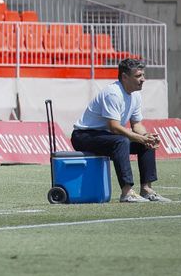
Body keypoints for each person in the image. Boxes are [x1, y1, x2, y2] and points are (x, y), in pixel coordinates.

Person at [70, 58, 169, 203]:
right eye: (138, 76)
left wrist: (146, 136)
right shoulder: (113, 93)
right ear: (124, 77)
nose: (143, 79)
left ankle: (147, 190)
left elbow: (137, 124)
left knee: (145, 142)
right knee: (121, 141)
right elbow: (114, 127)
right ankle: (127, 192)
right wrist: (140, 137)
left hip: (106, 136)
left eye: (142, 75)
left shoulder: (136, 95)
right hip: (83, 136)